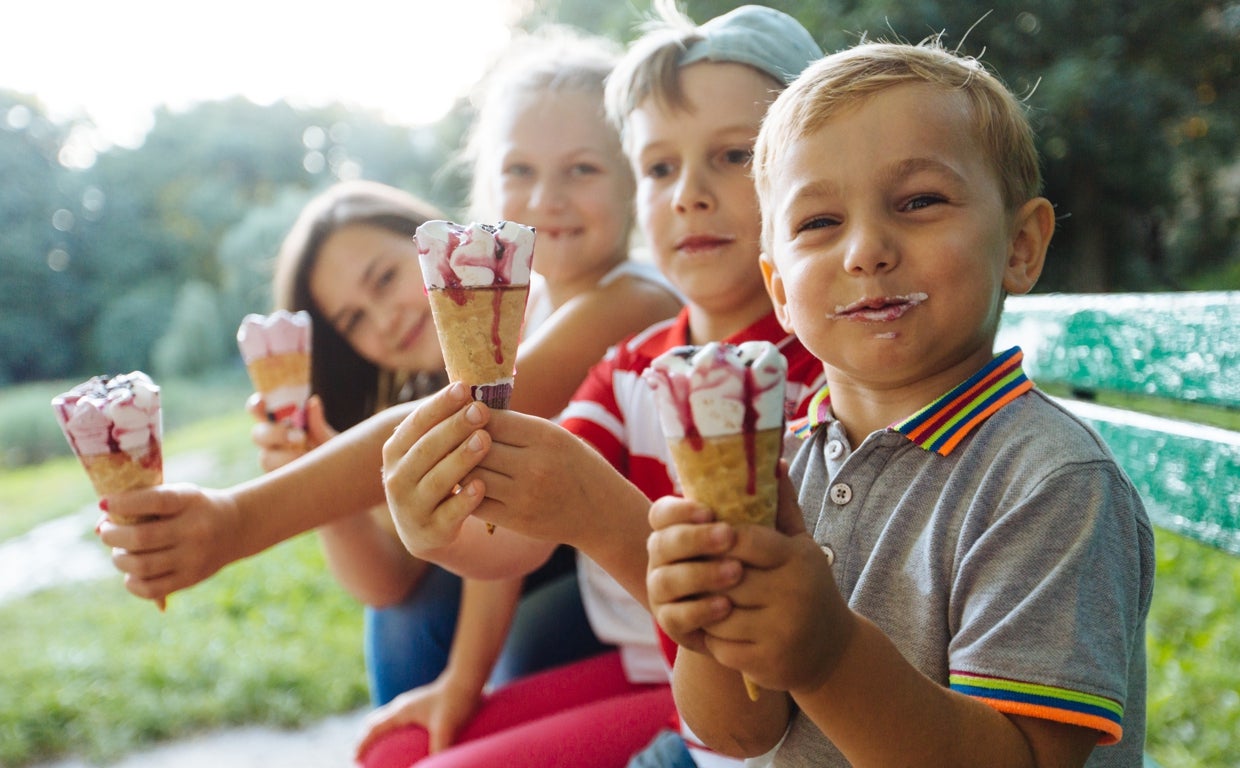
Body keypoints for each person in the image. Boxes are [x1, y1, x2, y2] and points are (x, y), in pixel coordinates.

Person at [98, 24, 682, 752]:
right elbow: (417, 561)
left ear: (640, 170)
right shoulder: (532, 307)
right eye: (520, 173)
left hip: (665, 639)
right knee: (403, 646)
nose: (547, 198)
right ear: (487, 191)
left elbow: (472, 434)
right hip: (594, 607)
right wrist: (458, 685)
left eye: (582, 170)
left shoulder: (633, 299)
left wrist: (234, 521)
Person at [643, 39, 1155, 767]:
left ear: (1020, 245)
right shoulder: (780, 461)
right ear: (780, 290)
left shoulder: (1049, 483)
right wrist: (706, 621)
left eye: (919, 202)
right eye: (818, 223)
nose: (867, 250)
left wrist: (829, 657)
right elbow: (739, 734)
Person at [366, 5, 824, 767]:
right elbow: (516, 540)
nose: (688, 194)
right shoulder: (631, 368)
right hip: (657, 673)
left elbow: (769, 666)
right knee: (395, 751)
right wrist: (440, 525)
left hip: (753, 719)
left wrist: (599, 512)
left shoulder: (823, 372)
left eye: (734, 156)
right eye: (660, 168)